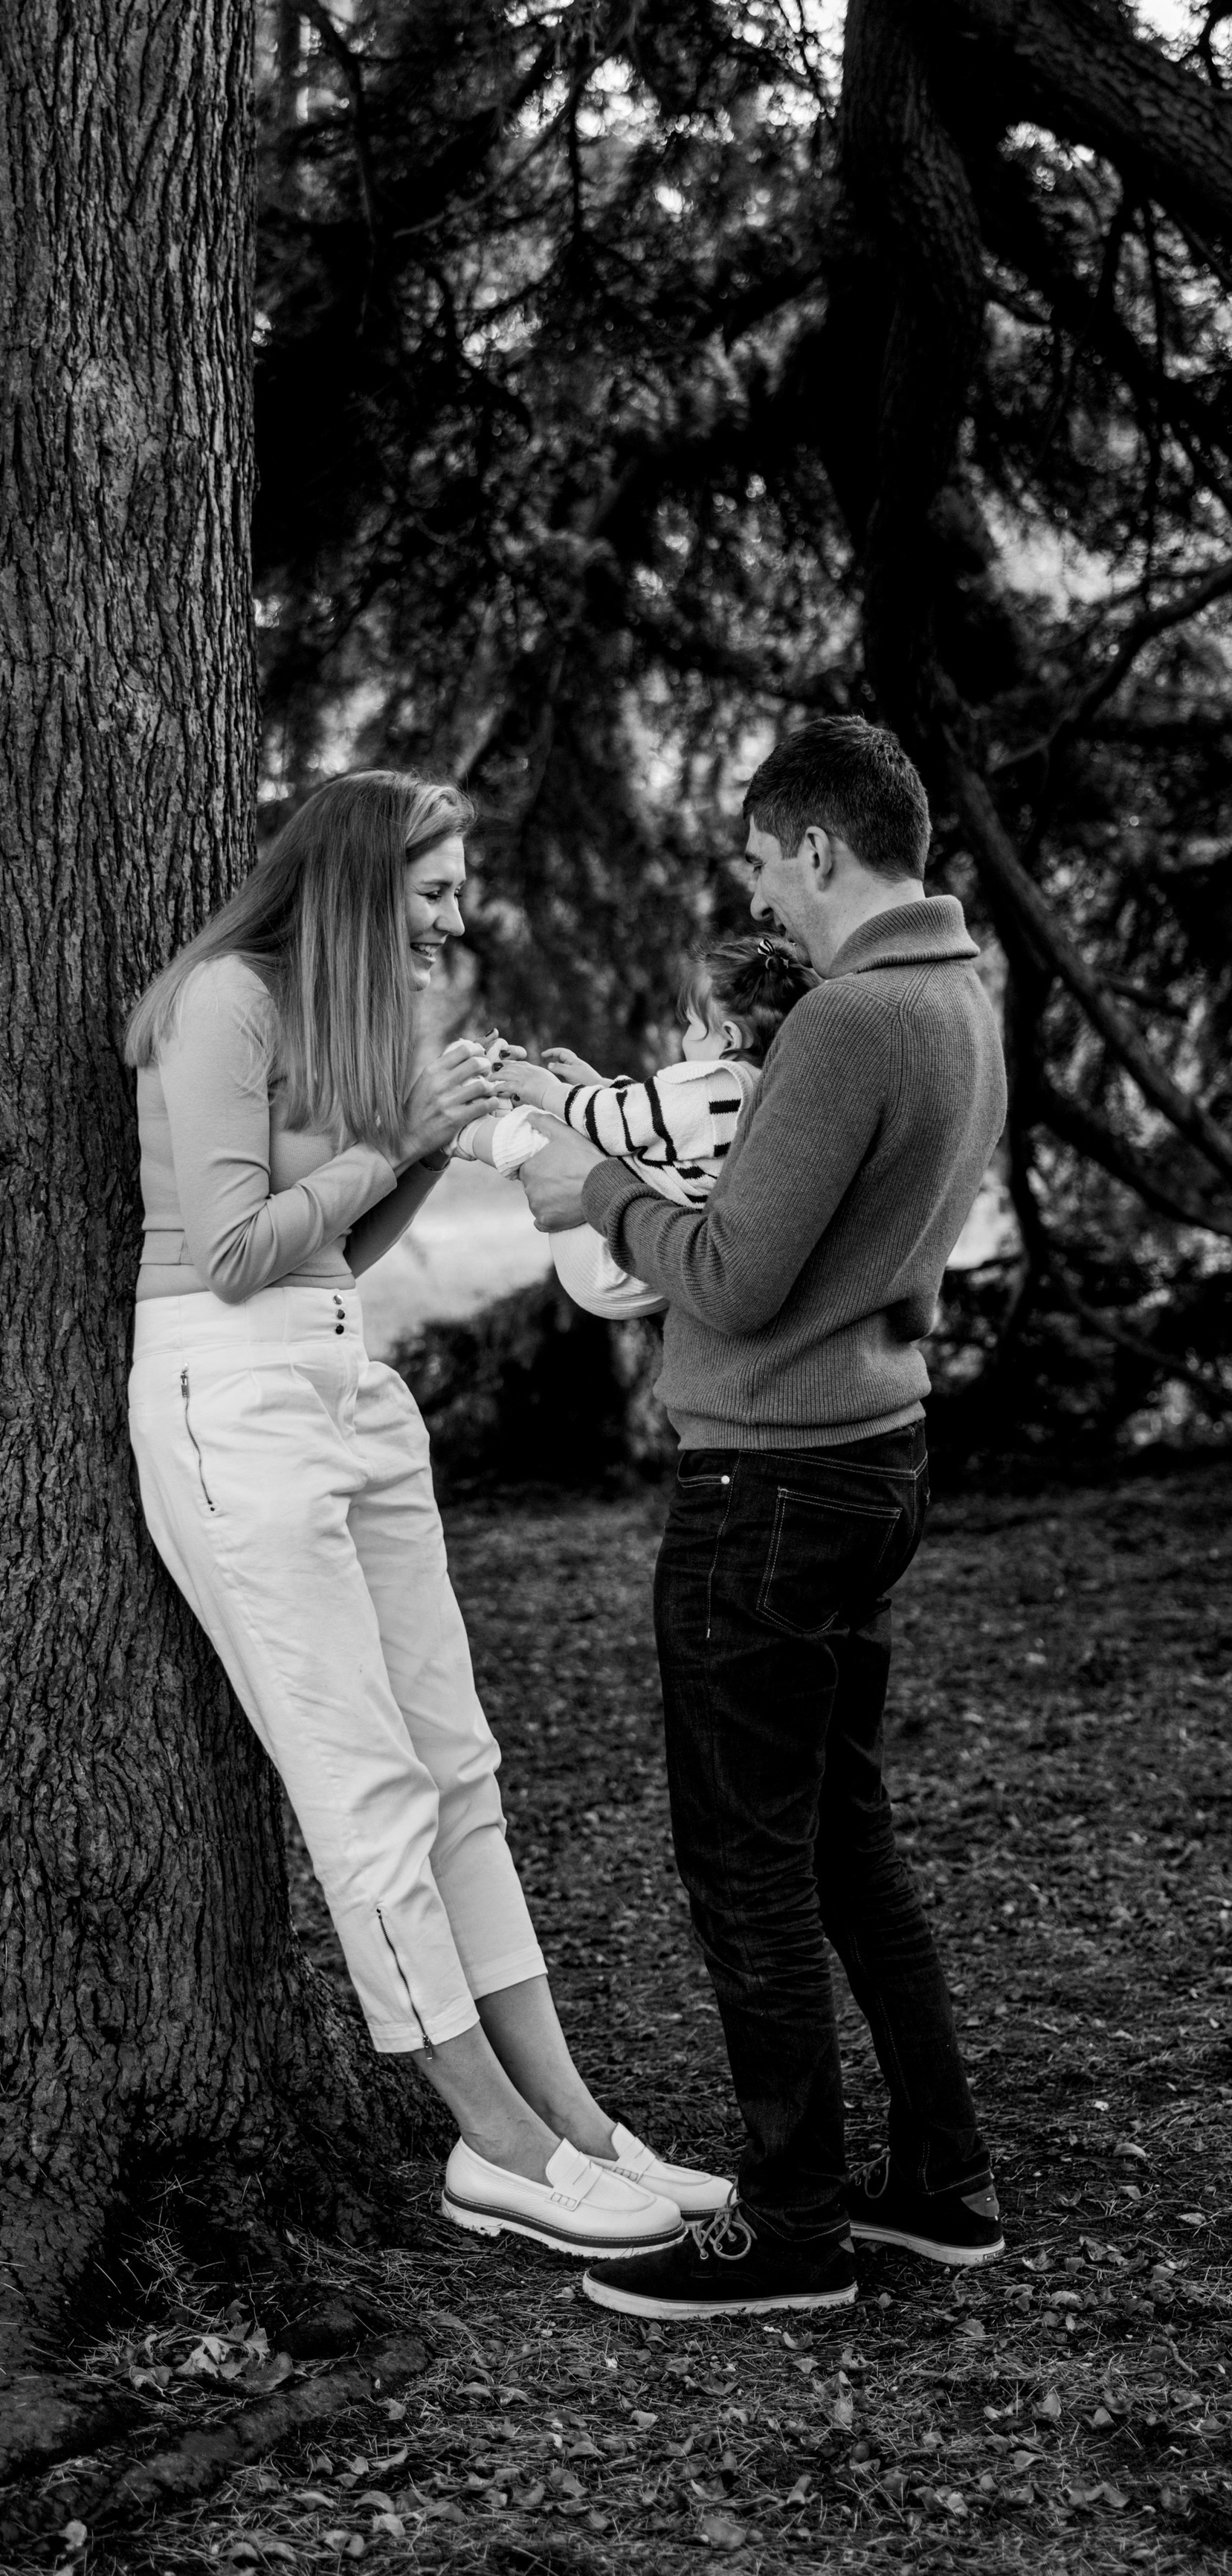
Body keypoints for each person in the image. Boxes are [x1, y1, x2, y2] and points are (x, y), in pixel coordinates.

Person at [125, 770, 729, 2260]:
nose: (456, 917)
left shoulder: (352, 1020)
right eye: (435, 889)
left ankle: (576, 2122)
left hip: (349, 1380)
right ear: (355, 879)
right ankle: (494, 2143)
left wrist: (430, 1138)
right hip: (229, 1392)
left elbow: (354, 1230)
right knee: (366, 1783)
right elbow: (229, 1249)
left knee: (459, 1765)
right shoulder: (221, 1002)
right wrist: (393, 1125)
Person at [518, 715, 1007, 2320]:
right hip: (872, 1459)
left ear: (809, 843)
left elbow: (729, 1273)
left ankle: (789, 2229)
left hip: (771, 1485)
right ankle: (938, 2180)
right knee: (840, 1836)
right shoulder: (956, 998)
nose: (753, 890)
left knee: (747, 1860)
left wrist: (589, 1193)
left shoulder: (849, 1021)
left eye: (756, 855)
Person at [454, 938, 814, 1317]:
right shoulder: (761, 1089)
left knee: (543, 1135)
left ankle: (461, 1132)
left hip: (610, 1256)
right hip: (654, 1264)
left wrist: (547, 1091)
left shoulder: (715, 1083)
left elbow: (621, 1121)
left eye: (692, 1026)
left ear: (730, 1038)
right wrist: (597, 1088)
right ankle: (490, 1103)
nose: (682, 1037)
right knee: (575, 1124)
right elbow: (657, 1124)